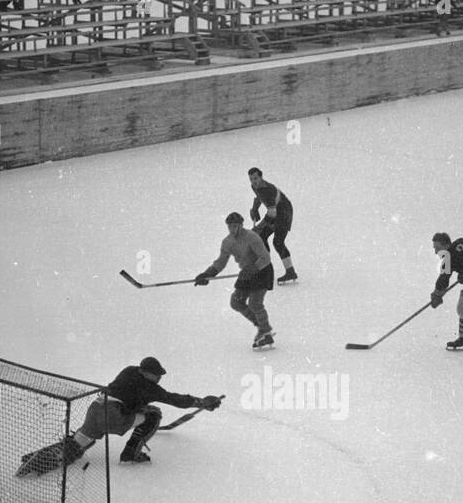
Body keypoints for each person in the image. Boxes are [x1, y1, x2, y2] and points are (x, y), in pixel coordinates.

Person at [20, 358, 223, 470]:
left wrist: (136, 405)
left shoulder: (130, 370)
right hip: (114, 415)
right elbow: (174, 399)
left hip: (97, 408)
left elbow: (128, 393)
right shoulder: (149, 388)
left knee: (80, 442)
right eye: (157, 374)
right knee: (153, 416)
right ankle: (130, 455)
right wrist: (201, 402)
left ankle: (44, 459)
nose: (159, 377)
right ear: (145, 372)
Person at [195, 212, 277, 349]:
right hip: (246, 273)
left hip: (262, 271)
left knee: (255, 304)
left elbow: (265, 258)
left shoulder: (252, 237)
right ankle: (262, 327)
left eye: (235, 226)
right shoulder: (227, 242)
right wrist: (207, 274)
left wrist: (252, 268)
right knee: (236, 302)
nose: (232, 229)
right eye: (230, 226)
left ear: (241, 225)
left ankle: (266, 332)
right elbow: (220, 262)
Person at [247, 167, 297, 284]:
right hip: (275, 211)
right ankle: (266, 269)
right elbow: (259, 197)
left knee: (278, 242)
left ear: (261, 177)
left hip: (284, 212)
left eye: (255, 178)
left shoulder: (268, 190)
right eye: (250, 179)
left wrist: (258, 227)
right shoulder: (254, 186)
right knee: (262, 237)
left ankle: (290, 272)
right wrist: (255, 209)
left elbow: (272, 214)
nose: (253, 181)